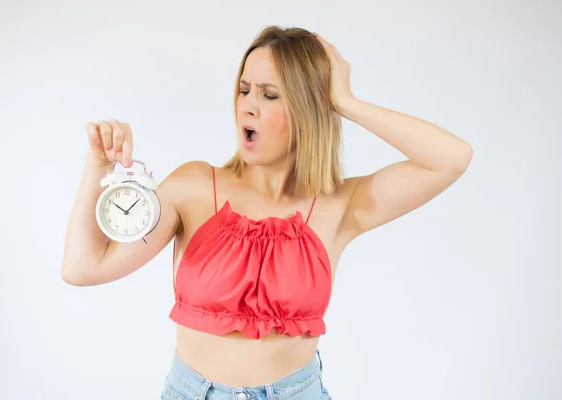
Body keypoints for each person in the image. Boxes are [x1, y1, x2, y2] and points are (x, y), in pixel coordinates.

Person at [61, 26, 473, 399]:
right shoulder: (194, 186)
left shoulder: (340, 205)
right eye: (244, 90)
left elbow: (451, 158)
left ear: (309, 110)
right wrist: (98, 163)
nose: (248, 106)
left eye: (270, 94)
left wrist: (344, 101)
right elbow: (83, 267)